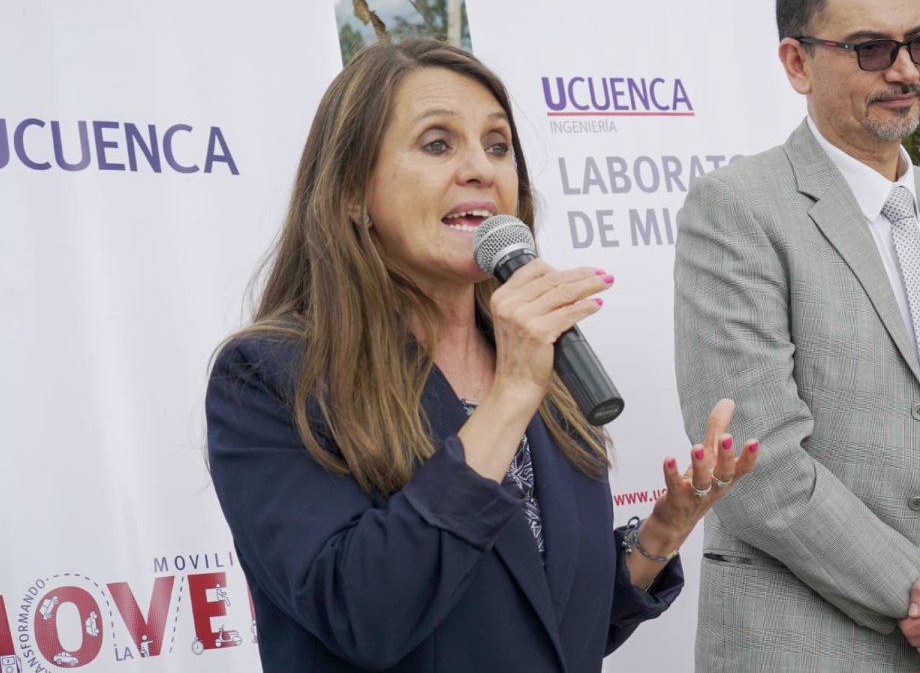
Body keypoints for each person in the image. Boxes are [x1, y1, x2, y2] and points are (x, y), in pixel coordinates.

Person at [206, 38, 759, 673]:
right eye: (438, 144)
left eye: (498, 146)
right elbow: (361, 614)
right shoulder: (270, 378)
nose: (482, 169)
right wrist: (510, 396)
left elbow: (541, 626)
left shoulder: (536, 364)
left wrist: (659, 538)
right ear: (352, 194)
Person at [673, 0, 920, 670]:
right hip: (799, 639)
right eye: (872, 48)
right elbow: (762, 470)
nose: (906, 71)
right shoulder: (737, 209)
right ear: (797, 63)